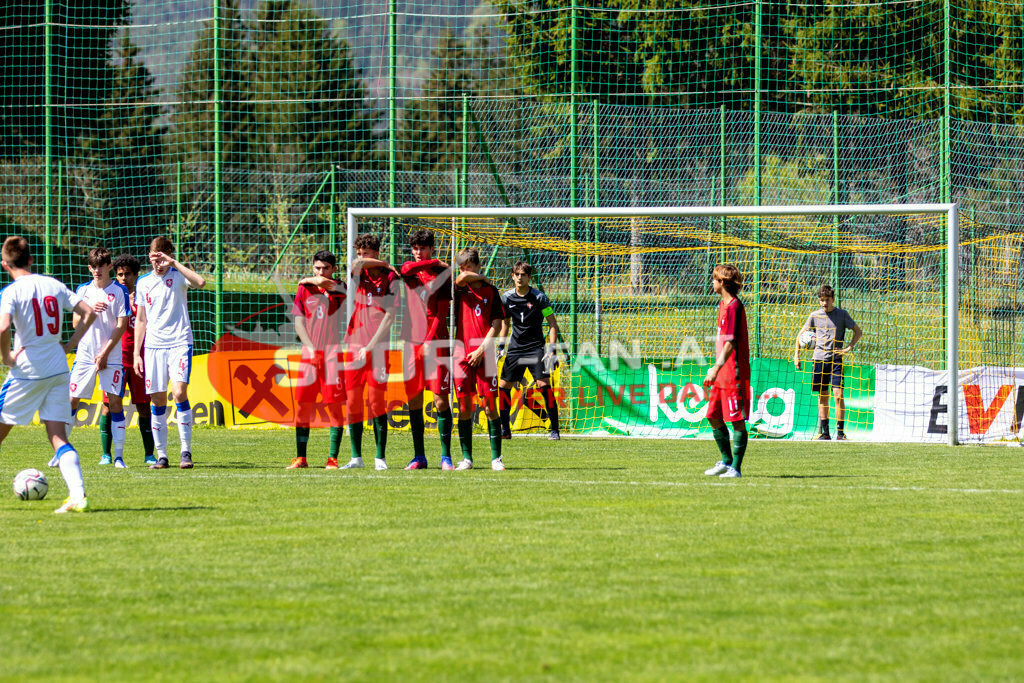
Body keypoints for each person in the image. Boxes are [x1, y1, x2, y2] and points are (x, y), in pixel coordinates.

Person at [0, 236, 97, 513]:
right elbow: (88, 312)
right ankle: (78, 496)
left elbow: (3, 327)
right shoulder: (52, 284)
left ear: (5, 264)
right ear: (31, 260)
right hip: (57, 366)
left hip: (27, 369)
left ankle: (77, 496)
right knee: (58, 437)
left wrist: (6, 357)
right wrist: (69, 344)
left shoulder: (11, 292)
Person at [133, 236, 206, 470]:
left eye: (161, 256)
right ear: (149, 257)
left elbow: (201, 282)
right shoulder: (143, 282)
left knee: (179, 392)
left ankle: (186, 451)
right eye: (154, 257)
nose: (158, 262)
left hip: (179, 342)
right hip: (153, 347)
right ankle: (162, 456)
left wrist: (173, 263)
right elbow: (141, 319)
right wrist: (137, 353)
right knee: (157, 399)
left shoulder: (178, 276)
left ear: (169, 255)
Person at [68, 248, 130, 468]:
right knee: (72, 399)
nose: (97, 271)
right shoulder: (82, 290)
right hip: (85, 355)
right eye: (93, 267)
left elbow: (122, 325)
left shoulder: (119, 291)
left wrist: (104, 353)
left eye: (101, 266)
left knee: (114, 403)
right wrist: (89, 310)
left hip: (111, 356)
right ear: (89, 268)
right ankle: (61, 452)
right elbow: (76, 323)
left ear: (109, 267)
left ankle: (119, 457)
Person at [340, 234, 398, 470]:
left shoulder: (391, 277)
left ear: (375, 252)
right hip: (354, 344)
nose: (361, 258)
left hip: (378, 347)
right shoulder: (360, 273)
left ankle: (379, 458)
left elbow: (390, 316)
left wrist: (371, 346)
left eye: (366, 254)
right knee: (353, 401)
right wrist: (383, 263)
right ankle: (356, 457)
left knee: (376, 402)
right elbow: (354, 265)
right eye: (359, 253)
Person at [399, 229, 455, 470]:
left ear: (432, 248)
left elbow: (442, 312)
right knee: (414, 401)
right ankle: (419, 456)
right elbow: (404, 270)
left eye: (423, 248)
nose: (418, 253)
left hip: (436, 342)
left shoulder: (443, 274)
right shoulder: (409, 269)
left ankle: (446, 457)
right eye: (416, 248)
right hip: (411, 343)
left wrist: (428, 342)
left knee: (441, 401)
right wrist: (435, 260)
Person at [288, 250, 346, 469]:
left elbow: (324, 282)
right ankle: (301, 458)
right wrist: (310, 348)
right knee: (303, 406)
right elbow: (298, 323)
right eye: (317, 268)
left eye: (326, 268)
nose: (321, 272)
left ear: (333, 269)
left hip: (331, 354)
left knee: (334, 406)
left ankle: (332, 458)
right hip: (308, 354)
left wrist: (311, 278)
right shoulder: (304, 289)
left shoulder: (340, 287)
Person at [452, 248, 506, 471]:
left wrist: (481, 350)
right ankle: (467, 459)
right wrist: (478, 276)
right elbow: (461, 278)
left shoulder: (491, 291)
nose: (464, 272)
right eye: (462, 267)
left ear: (477, 266)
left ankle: (496, 459)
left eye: (468, 267)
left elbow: (497, 324)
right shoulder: (459, 289)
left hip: (485, 355)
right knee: (464, 407)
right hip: (461, 355)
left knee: (490, 407)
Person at [498, 261, 561, 440]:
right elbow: (505, 323)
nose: (519, 277)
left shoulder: (540, 297)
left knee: (544, 386)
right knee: (503, 387)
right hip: (515, 349)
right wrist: (501, 346)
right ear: (512, 276)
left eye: (523, 275)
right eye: (516, 274)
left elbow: (553, 325)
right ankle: (505, 430)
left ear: (529, 277)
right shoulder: (507, 298)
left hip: (535, 348)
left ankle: (554, 430)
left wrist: (552, 350)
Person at [794, 284, 863, 441]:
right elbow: (800, 336)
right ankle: (825, 433)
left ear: (833, 299)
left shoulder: (842, 315)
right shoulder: (814, 315)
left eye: (827, 300)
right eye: (821, 300)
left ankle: (840, 433)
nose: (824, 303)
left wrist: (848, 348)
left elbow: (858, 332)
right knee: (822, 396)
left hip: (836, 361)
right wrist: (796, 355)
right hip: (818, 360)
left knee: (838, 395)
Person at [702, 263, 750, 479]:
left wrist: (716, 367)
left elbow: (730, 343)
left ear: (722, 282)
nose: (712, 282)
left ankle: (736, 468)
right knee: (712, 415)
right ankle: (726, 460)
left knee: (736, 419)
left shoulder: (734, 307)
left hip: (734, 372)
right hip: (722, 372)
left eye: (714, 279)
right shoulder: (722, 305)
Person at [107, 254, 156, 464]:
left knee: (144, 406)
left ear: (136, 275)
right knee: (108, 405)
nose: (123, 278)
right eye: (119, 274)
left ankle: (149, 454)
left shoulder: (144, 299)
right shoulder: (112, 297)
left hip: (140, 360)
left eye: (127, 274)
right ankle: (106, 454)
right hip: (115, 360)